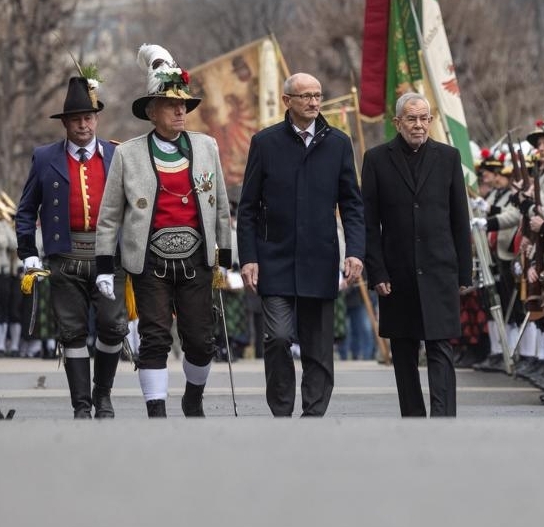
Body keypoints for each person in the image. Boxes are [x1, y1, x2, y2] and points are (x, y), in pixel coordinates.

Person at [94, 44, 232, 418]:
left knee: (201, 342)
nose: (180, 110)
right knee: (154, 338)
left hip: (197, 259)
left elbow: (220, 202)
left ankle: (194, 397)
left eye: (184, 104)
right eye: (171, 105)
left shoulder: (206, 147)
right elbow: (108, 217)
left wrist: (228, 259)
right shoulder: (128, 154)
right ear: (151, 112)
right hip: (149, 261)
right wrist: (104, 266)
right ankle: (156, 410)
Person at [237, 73, 365, 417]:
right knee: (278, 337)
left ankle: (313, 414)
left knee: (318, 347)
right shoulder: (265, 143)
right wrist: (248, 257)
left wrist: (355, 251)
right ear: (287, 101)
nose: (313, 102)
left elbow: (352, 204)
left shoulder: (338, 143)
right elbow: (247, 207)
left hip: (320, 259)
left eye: (318, 95)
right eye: (305, 96)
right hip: (274, 259)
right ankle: (281, 410)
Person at [14, 75, 128, 418]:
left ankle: (103, 395)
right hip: (64, 257)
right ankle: (81, 404)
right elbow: (25, 210)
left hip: (109, 256)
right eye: (76, 118)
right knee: (72, 330)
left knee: (112, 325)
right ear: (65, 122)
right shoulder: (45, 157)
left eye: (88, 117)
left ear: (96, 119)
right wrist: (28, 252)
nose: (83, 124)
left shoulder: (117, 154)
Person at [362, 92, 471, 417]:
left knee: (440, 346)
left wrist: (464, 274)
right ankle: (412, 417)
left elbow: (459, 219)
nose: (419, 125)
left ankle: (443, 417)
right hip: (397, 272)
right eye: (411, 118)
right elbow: (369, 222)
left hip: (440, 269)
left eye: (424, 118)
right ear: (397, 122)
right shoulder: (377, 159)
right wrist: (377, 272)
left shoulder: (448, 157)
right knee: (404, 348)